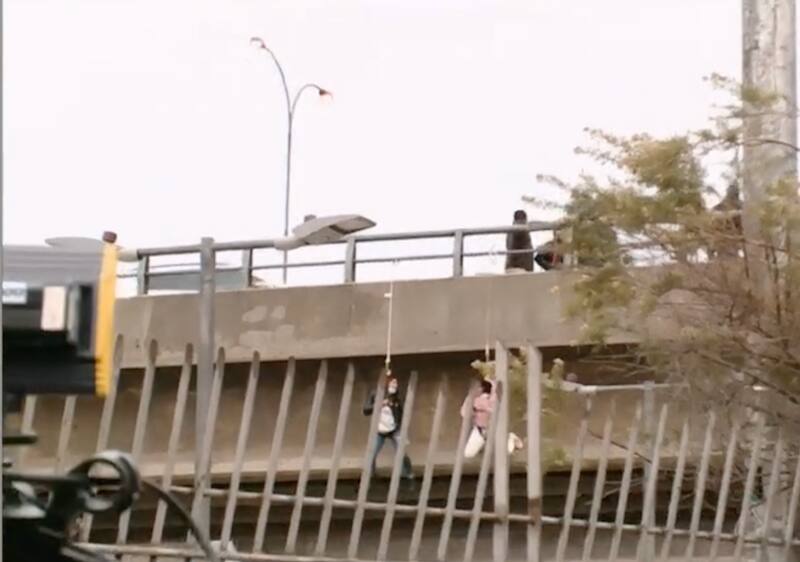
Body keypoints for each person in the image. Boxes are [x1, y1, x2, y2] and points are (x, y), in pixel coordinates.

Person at [363, 374, 414, 482]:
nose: (394, 386)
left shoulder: (396, 397)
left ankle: (408, 474)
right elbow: (366, 410)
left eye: (396, 384)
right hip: (380, 431)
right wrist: (379, 404)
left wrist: (402, 432)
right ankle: (371, 475)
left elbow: (401, 414)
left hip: (394, 429)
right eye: (392, 383)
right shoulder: (375, 394)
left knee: (402, 452)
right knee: (371, 453)